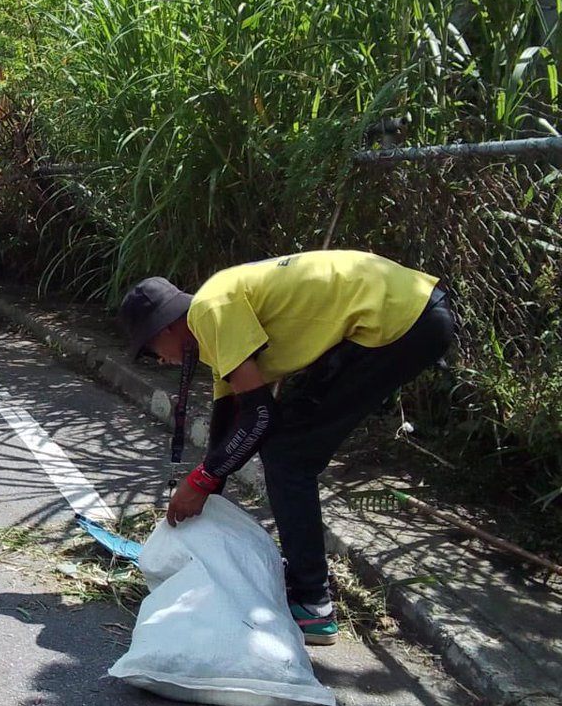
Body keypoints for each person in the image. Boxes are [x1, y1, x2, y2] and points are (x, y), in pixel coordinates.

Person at [119, 249, 456, 645]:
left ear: (165, 331)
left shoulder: (212, 311)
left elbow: (261, 417)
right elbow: (229, 422)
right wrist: (203, 501)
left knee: (288, 454)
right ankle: (306, 584)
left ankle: (313, 602)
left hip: (402, 319)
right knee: (288, 443)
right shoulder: (213, 326)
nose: (160, 360)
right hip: (407, 308)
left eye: (152, 350)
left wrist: (202, 480)